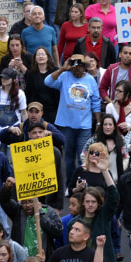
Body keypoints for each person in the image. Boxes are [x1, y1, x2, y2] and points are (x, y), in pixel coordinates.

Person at [45, 54, 102, 184]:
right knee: (69, 157)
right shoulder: (64, 76)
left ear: (84, 67)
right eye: (74, 67)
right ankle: (69, 184)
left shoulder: (90, 80)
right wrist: (62, 69)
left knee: (83, 157)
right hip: (66, 125)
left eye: (80, 66)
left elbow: (96, 101)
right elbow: (47, 82)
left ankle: (82, 183)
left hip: (85, 126)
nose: (76, 69)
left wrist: (98, 121)